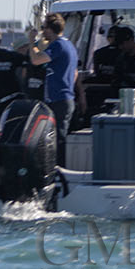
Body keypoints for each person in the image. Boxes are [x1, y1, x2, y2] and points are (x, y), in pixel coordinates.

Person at [27, 14, 80, 164]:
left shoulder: (58, 45)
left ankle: (59, 169)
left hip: (59, 100)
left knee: (57, 139)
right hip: (64, 98)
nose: (42, 31)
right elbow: (75, 73)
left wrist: (31, 41)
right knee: (55, 137)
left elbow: (36, 60)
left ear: (50, 29)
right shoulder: (69, 45)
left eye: (43, 28)